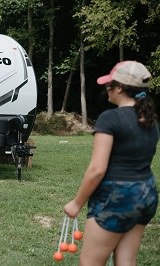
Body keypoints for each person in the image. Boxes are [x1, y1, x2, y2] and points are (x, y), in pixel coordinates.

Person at [64, 60, 159, 266]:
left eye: (109, 84)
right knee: (126, 261)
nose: (106, 88)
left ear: (119, 88)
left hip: (116, 198)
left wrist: (76, 203)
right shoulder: (150, 122)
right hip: (146, 195)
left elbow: (97, 169)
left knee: (89, 263)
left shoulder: (110, 118)